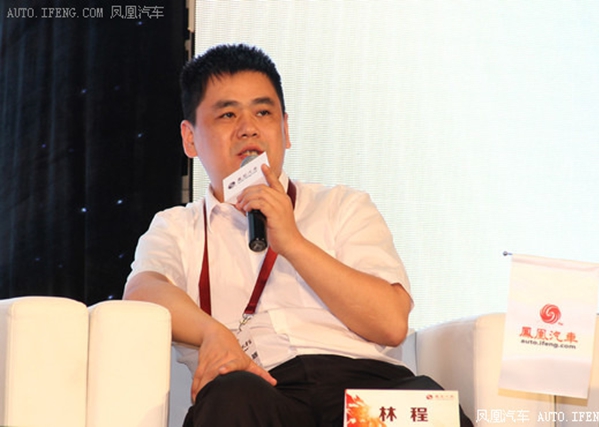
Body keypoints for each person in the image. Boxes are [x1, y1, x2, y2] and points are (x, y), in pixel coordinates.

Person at [123, 43, 473, 427]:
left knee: (423, 408)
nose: (248, 128)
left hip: (366, 393)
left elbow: (390, 324)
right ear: (189, 138)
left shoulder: (342, 205)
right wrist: (213, 332)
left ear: (285, 130)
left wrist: (292, 242)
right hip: (258, 391)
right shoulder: (177, 226)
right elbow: (142, 291)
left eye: (263, 112)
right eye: (227, 114)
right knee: (231, 398)